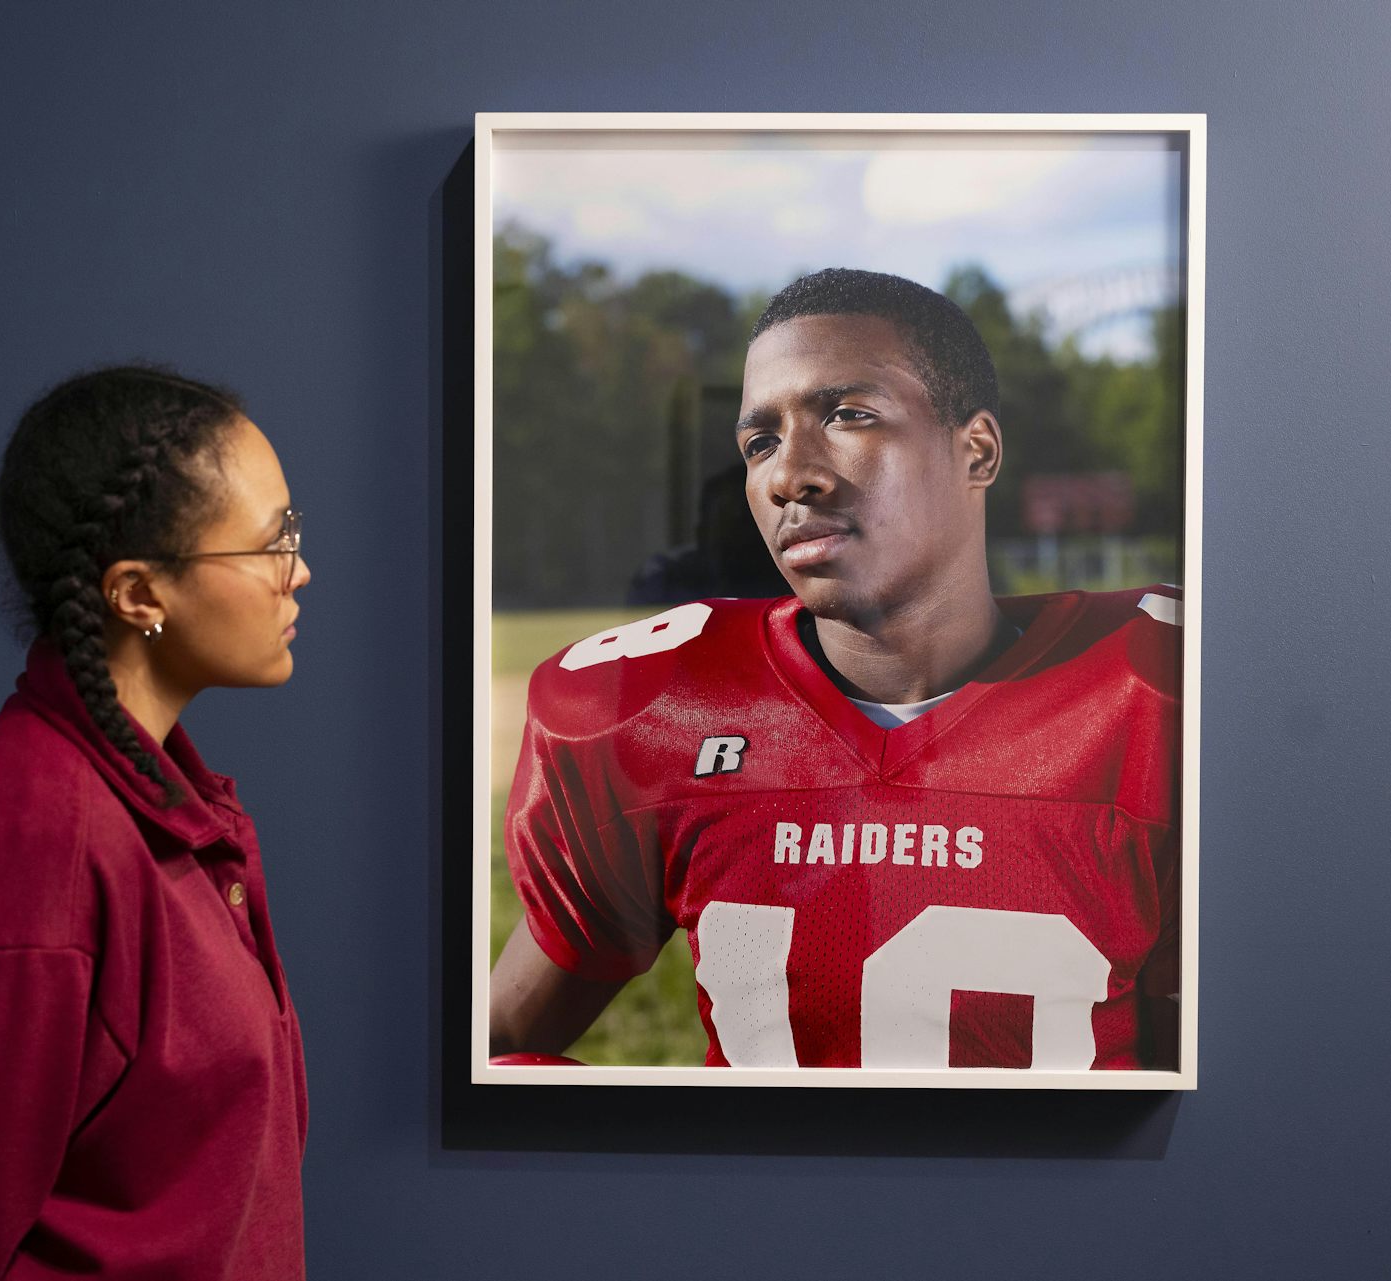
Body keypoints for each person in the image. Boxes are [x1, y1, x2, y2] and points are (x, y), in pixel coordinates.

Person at [490, 268, 1181, 1070]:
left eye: (849, 414)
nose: (790, 475)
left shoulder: (1159, 696)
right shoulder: (661, 712)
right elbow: (498, 1047)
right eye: (761, 442)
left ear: (978, 451)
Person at [0, 367, 313, 1275]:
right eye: (272, 542)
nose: (299, 571)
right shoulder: (38, 852)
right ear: (138, 594)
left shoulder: (160, 813)